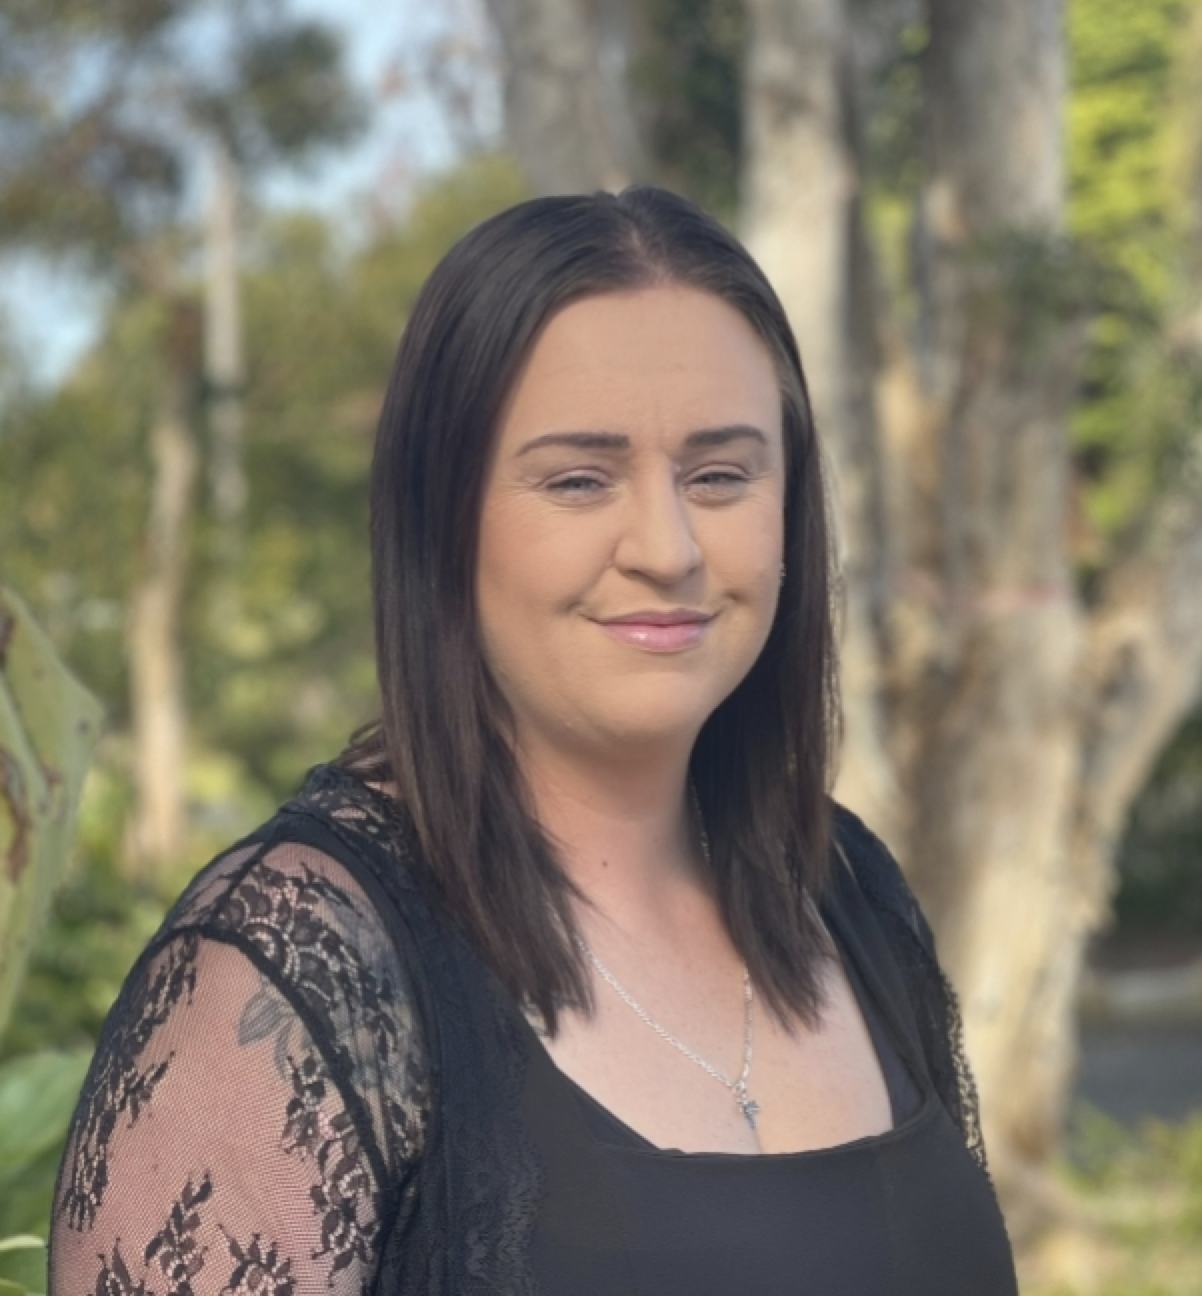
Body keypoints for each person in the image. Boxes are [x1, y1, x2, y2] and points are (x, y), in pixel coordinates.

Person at [49, 187, 1018, 1295]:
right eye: (577, 480)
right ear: (440, 519)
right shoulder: (285, 984)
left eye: (719, 475)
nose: (668, 546)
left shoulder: (845, 891)